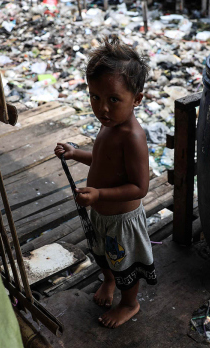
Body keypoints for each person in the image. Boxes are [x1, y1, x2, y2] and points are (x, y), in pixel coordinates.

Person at [55, 36, 156, 328]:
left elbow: (140, 187)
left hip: (123, 220)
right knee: (102, 254)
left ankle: (129, 303)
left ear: (136, 99)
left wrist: (98, 194)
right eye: (95, 97)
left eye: (113, 99)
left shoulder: (132, 137)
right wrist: (76, 154)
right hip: (101, 213)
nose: (103, 109)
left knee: (126, 264)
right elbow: (102, 161)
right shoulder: (108, 125)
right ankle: (108, 282)